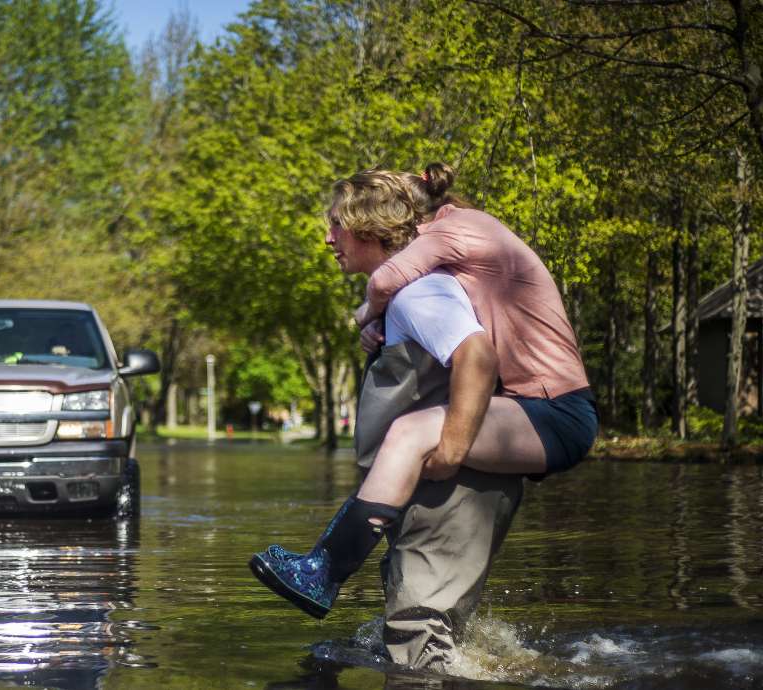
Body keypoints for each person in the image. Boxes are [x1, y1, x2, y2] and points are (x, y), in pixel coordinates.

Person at [248, 164, 597, 641]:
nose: (327, 238)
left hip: (553, 411)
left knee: (411, 433)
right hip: (534, 409)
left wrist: (453, 445)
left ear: (370, 226)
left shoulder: (423, 283)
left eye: (336, 224)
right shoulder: (444, 261)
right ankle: (331, 569)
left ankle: (324, 571)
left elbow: (477, 355)